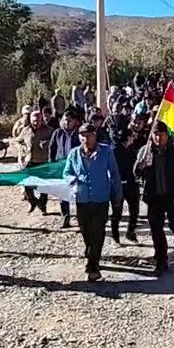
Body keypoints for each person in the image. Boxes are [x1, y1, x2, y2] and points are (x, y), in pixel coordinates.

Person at [62, 122, 123, 282]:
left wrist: (117, 196)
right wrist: (72, 179)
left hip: (101, 198)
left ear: (94, 135)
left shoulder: (106, 152)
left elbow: (114, 174)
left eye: (89, 135)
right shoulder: (74, 153)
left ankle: (93, 266)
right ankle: (91, 253)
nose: (86, 139)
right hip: (82, 199)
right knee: (86, 232)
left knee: (98, 231)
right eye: (83, 136)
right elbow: (66, 172)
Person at [135, 121, 174, 277]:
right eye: (155, 134)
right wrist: (140, 165)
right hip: (154, 196)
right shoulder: (145, 151)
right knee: (156, 229)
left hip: (173, 195)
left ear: (167, 134)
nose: (158, 138)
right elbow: (136, 172)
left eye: (161, 135)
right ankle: (161, 259)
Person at [13, 109, 54, 213]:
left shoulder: (48, 130)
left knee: (43, 187)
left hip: (43, 161)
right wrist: (21, 147)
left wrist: (47, 143)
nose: (36, 123)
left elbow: (55, 142)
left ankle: (42, 206)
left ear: (42, 120)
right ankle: (33, 202)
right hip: (29, 161)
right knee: (27, 186)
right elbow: (17, 141)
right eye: (34, 121)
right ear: (31, 120)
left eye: (38, 121)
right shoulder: (26, 130)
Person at [49, 110, 82, 228]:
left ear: (75, 122)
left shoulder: (79, 134)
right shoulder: (57, 133)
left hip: (75, 167)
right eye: (65, 120)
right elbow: (52, 148)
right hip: (60, 166)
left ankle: (81, 217)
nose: (66, 122)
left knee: (78, 191)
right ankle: (66, 217)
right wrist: (51, 164)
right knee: (62, 192)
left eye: (69, 120)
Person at [111, 128, 140, 243]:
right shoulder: (114, 151)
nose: (134, 137)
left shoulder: (132, 149)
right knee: (117, 212)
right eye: (132, 136)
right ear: (127, 138)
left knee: (134, 210)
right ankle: (115, 235)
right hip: (119, 185)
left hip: (132, 184)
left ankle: (131, 232)